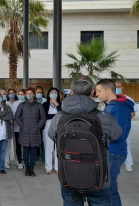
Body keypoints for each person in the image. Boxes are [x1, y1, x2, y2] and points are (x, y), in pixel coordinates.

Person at [48, 76, 122, 206]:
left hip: (69, 175)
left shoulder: (59, 117)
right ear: (92, 93)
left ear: (71, 92)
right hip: (98, 177)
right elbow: (117, 135)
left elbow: (51, 135)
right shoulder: (104, 117)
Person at [96, 79, 134, 206]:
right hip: (109, 151)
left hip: (114, 152)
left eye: (99, 91)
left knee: (109, 189)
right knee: (108, 188)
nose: (97, 94)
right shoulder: (111, 106)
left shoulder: (119, 107)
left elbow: (119, 134)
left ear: (108, 90)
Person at [15, 87, 46, 177]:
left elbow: (42, 118)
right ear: (25, 95)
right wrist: (22, 125)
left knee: (33, 150)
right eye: (27, 93)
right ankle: (27, 168)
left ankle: (31, 169)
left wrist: (38, 126)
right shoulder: (22, 105)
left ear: (34, 94)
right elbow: (17, 116)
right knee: (25, 150)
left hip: (35, 131)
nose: (29, 95)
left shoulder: (39, 105)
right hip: (24, 131)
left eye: (31, 93)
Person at [115, 81, 137, 172]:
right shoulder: (110, 99)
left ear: (122, 88)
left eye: (119, 87)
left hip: (124, 125)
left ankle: (128, 163)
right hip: (112, 125)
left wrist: (123, 118)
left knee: (126, 143)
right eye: (115, 87)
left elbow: (133, 113)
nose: (117, 89)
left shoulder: (128, 99)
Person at [42, 87, 61, 175]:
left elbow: (63, 114)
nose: (54, 94)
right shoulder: (45, 104)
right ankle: (48, 167)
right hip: (48, 127)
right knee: (48, 148)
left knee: (58, 148)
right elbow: (43, 116)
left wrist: (56, 104)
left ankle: (57, 167)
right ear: (49, 94)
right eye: (52, 92)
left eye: (55, 92)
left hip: (59, 127)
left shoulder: (61, 104)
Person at [12, 89, 25, 169]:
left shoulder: (27, 103)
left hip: (26, 127)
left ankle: (25, 160)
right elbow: (14, 115)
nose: (21, 95)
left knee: (25, 145)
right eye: (19, 94)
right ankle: (19, 160)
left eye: (22, 94)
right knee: (18, 145)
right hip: (17, 127)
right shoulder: (15, 104)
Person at [4, 88, 17, 169]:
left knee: (17, 144)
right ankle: (6, 161)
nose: (11, 94)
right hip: (8, 126)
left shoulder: (18, 103)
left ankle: (17, 160)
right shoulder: (6, 103)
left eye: (13, 93)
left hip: (17, 126)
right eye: (10, 93)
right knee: (7, 145)